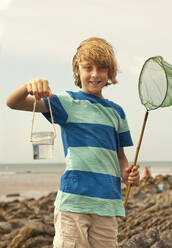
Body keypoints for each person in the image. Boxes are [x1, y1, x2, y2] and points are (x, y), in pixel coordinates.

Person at [6, 37, 140, 248]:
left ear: (110, 72)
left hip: (107, 204)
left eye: (102, 68)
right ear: (77, 71)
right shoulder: (66, 103)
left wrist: (127, 173)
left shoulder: (117, 112)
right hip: (73, 204)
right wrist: (28, 87)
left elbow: (120, 157)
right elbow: (13, 103)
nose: (95, 74)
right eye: (88, 67)